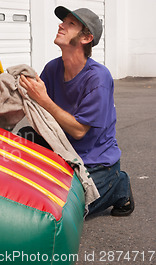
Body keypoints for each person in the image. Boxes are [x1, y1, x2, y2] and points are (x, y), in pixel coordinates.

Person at [18, 6, 134, 216]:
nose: (61, 25)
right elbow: (32, 107)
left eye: (70, 24)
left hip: (95, 162)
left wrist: (43, 100)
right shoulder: (53, 68)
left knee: (64, 213)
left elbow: (79, 130)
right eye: (64, 22)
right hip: (63, 148)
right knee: (24, 136)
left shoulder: (98, 78)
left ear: (86, 38)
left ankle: (118, 185)